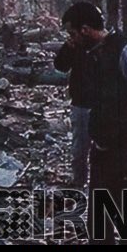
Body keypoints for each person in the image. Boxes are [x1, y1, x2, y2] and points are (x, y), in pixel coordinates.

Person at [60, 1, 127, 244]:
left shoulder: (125, 50)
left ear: (84, 30)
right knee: (98, 227)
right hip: (102, 151)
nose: (71, 40)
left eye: (72, 34)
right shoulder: (90, 55)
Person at [53, 37, 91, 187]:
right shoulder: (75, 45)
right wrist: (68, 47)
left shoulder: (106, 46)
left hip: (102, 103)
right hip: (81, 103)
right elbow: (61, 66)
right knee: (79, 149)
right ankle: (79, 181)